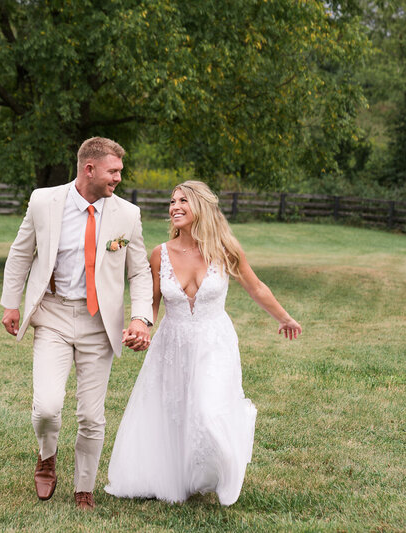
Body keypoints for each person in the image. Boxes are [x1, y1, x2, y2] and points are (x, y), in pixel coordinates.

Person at [105, 180, 302, 506]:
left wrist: (284, 318)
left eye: (184, 200)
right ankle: (177, 477)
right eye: (172, 201)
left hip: (214, 342)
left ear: (202, 207)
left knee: (209, 412)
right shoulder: (160, 254)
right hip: (172, 343)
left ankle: (219, 472)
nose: (175, 207)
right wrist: (141, 328)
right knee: (175, 413)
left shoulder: (225, 249)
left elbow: (257, 288)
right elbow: (150, 304)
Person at [0, 137, 153, 511]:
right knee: (47, 408)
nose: (119, 177)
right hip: (51, 314)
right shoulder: (43, 201)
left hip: (99, 322)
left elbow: (141, 272)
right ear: (90, 169)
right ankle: (46, 456)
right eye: (113, 171)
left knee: (91, 414)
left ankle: (84, 486)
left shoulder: (127, 215)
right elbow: (21, 252)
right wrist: (11, 304)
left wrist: (141, 317)